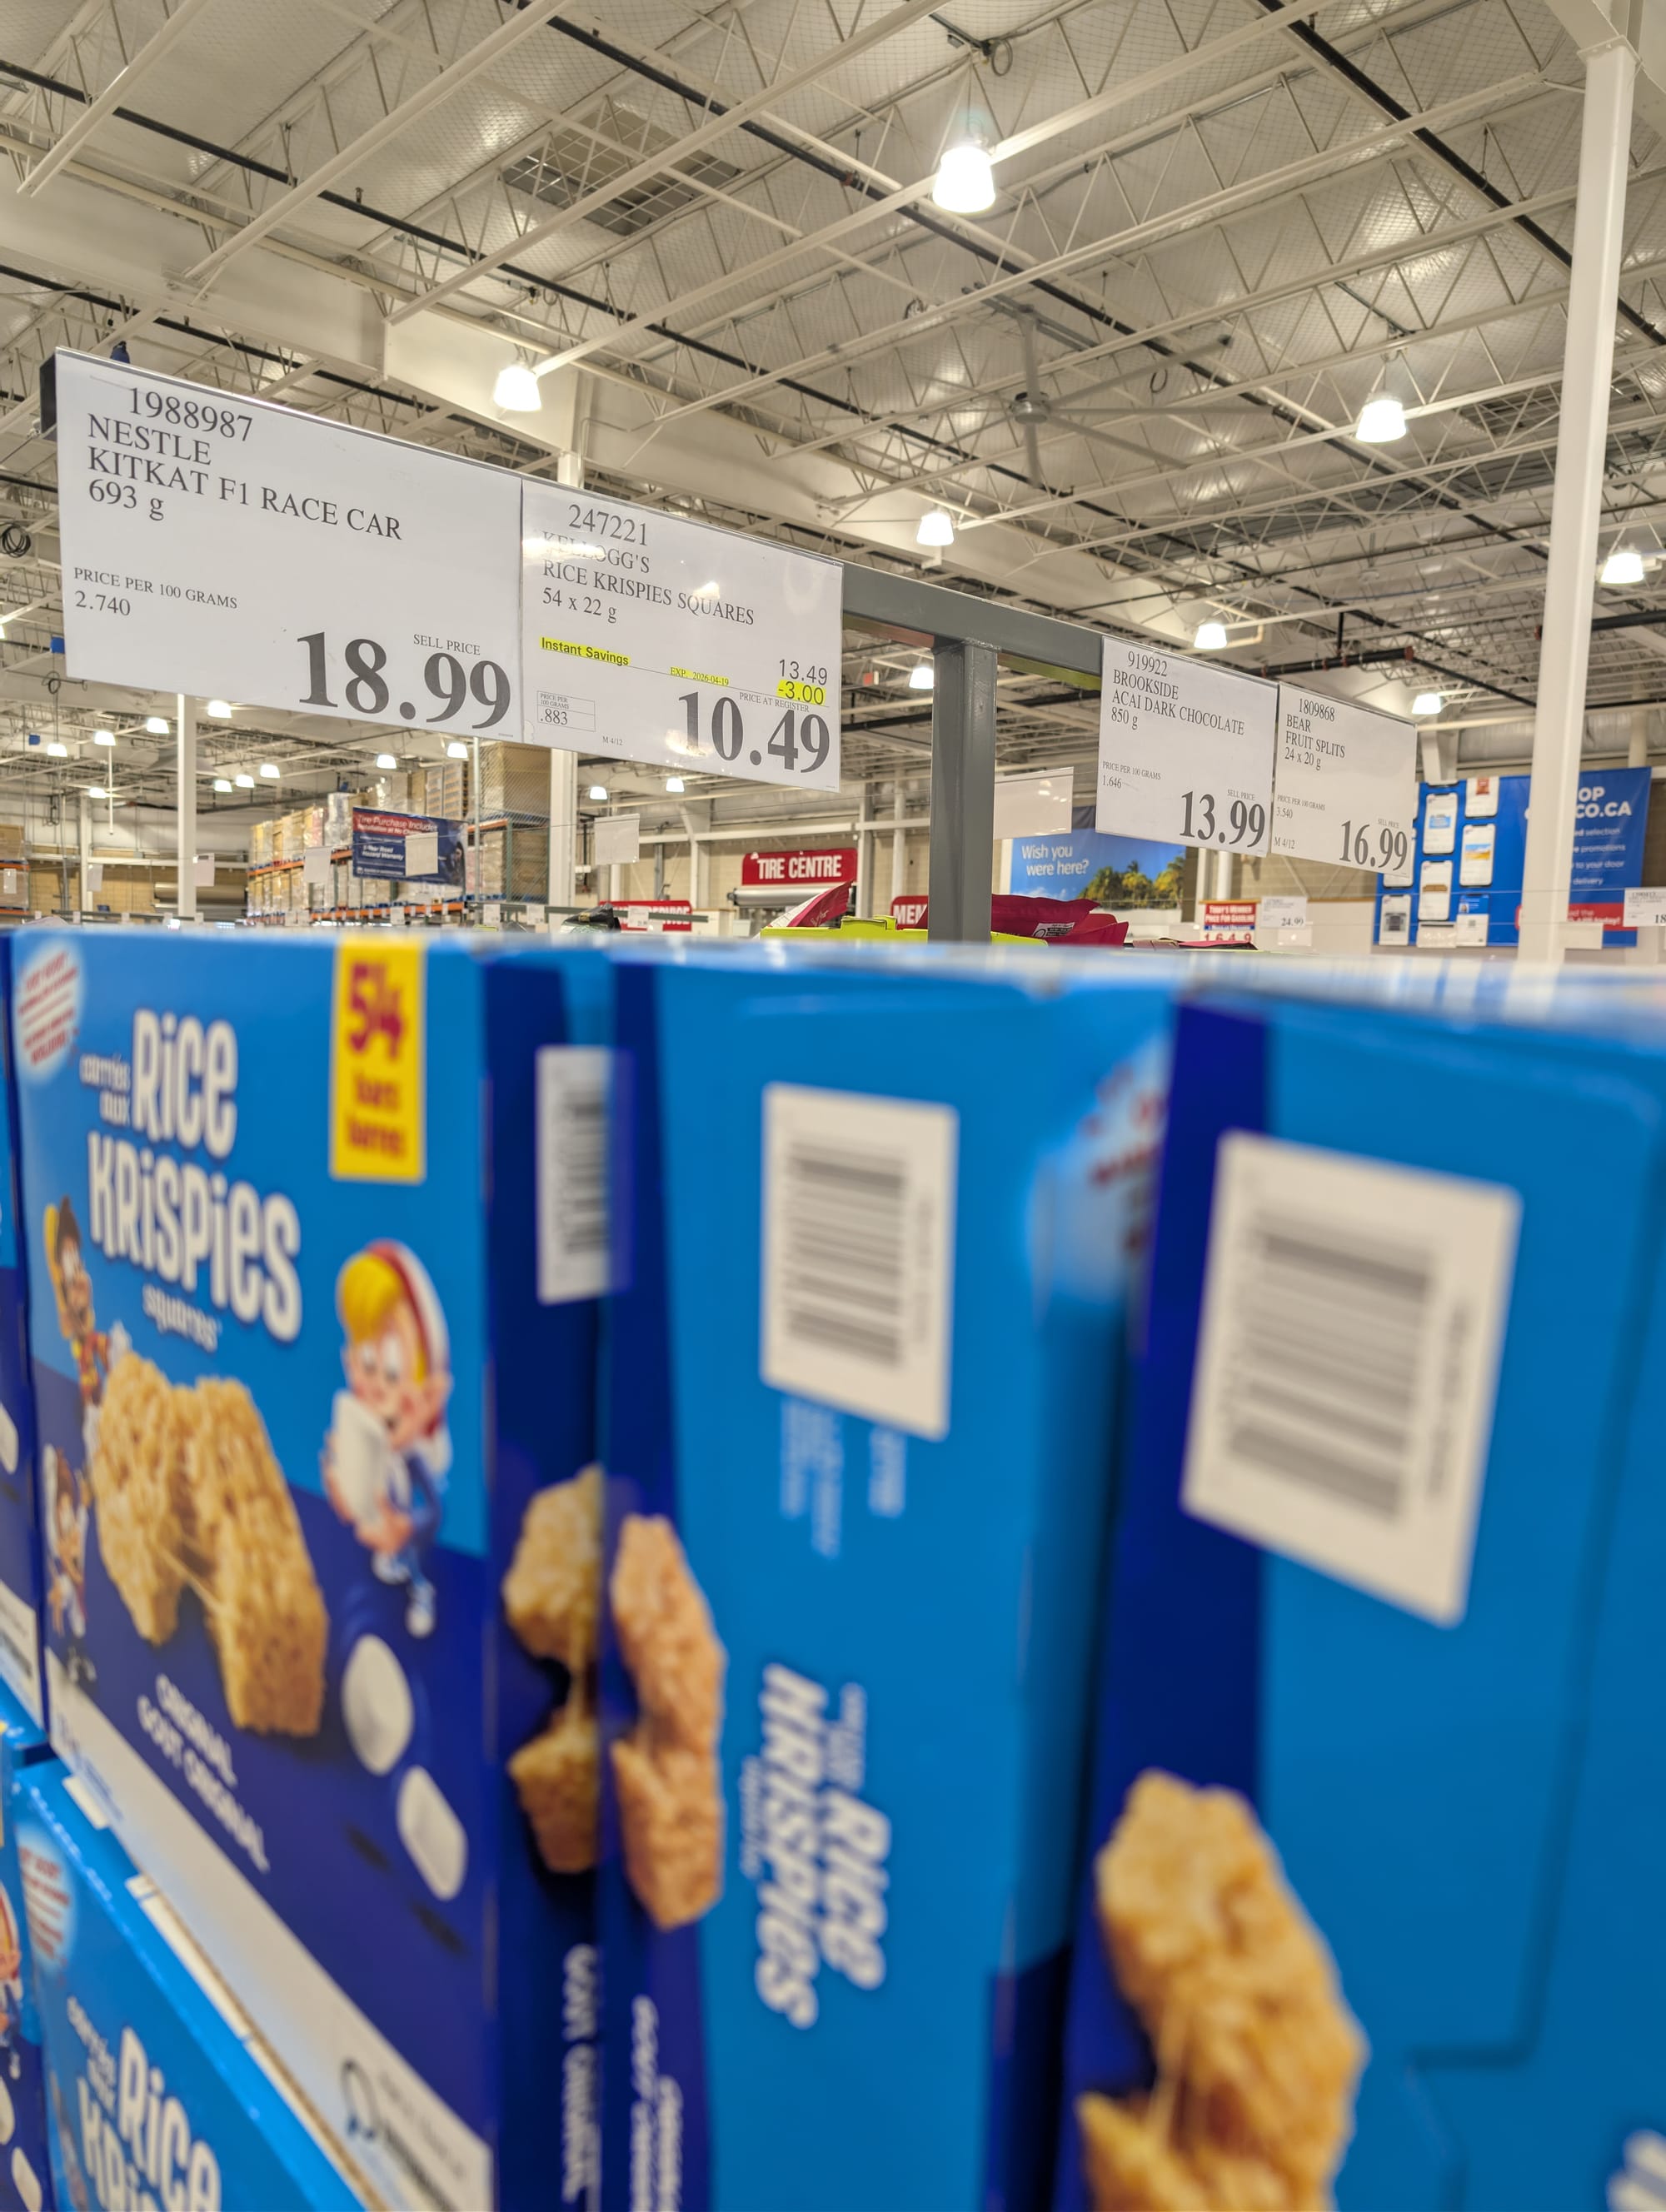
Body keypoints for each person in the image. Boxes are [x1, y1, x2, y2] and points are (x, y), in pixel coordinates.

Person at [322, 1243, 452, 1638]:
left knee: (412, 1577)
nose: (377, 1383)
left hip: (406, 1554)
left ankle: (421, 1592)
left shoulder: (413, 1457)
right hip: (364, 1577)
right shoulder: (361, 1432)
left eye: (393, 1368)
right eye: (366, 1363)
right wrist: (341, 1492)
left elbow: (434, 1510)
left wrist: (407, 1527)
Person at [45, 1447, 93, 1691]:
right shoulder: (57, 1529)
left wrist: (83, 1504)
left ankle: (79, 1657)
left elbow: (79, 1529)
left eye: (67, 1502)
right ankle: (75, 1658)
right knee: (74, 1615)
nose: (65, 1507)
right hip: (69, 1576)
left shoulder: (73, 1520)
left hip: (77, 1571)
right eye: (61, 1505)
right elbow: (63, 1551)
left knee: (79, 1622)